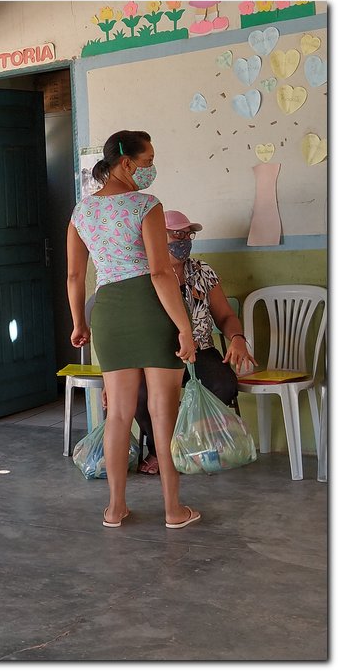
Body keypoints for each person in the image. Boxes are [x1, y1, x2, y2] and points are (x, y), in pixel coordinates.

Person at [67, 130, 201, 530]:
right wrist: (185, 329)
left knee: (118, 415)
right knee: (163, 414)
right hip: (151, 310)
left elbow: (75, 276)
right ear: (126, 163)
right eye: (147, 161)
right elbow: (160, 273)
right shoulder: (147, 205)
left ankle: (114, 508)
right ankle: (174, 510)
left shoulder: (81, 212)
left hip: (108, 315)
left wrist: (79, 322)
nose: (150, 169)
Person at [133, 210, 257, 475]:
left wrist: (236, 338)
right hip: (157, 355)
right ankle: (161, 451)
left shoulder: (202, 271)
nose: (184, 239)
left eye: (189, 234)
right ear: (155, 237)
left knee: (222, 384)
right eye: (176, 234)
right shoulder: (140, 274)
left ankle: (195, 447)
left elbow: (224, 316)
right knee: (140, 395)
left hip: (200, 350)